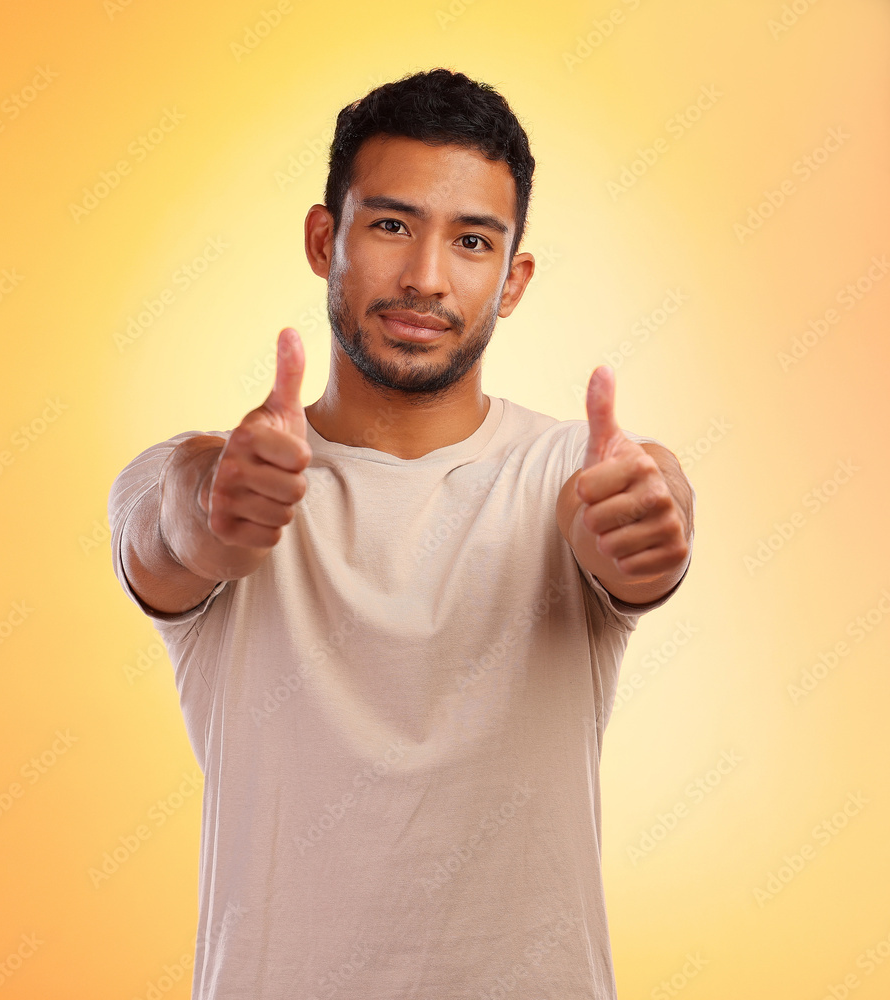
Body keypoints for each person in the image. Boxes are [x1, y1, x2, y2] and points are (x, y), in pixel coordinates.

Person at [109, 68, 695, 1000]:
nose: (426, 276)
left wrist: (647, 528)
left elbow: (650, 505)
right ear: (322, 238)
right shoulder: (233, 476)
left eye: (472, 241)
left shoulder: (567, 478)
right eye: (390, 225)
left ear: (513, 281)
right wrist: (215, 515)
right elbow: (167, 523)